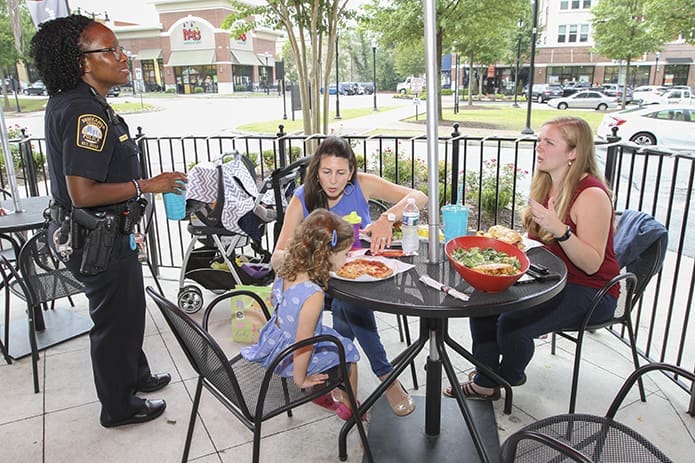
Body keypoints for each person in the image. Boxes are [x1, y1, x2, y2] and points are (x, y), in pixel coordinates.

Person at [30, 15, 187, 427]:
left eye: (120, 48)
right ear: (84, 62)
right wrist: (145, 185)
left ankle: (135, 376)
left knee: (128, 311)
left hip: (101, 233)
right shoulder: (86, 112)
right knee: (114, 322)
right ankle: (118, 406)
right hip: (98, 239)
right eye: (111, 50)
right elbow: (83, 191)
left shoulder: (76, 100)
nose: (123, 57)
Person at [446, 116, 620, 400]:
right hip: (550, 277)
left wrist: (561, 231)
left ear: (573, 153)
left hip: (593, 290)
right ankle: (486, 378)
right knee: (483, 304)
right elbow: (539, 243)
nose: (539, 147)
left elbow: (592, 264)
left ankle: (505, 377)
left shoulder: (591, 195)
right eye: (539, 140)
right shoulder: (547, 183)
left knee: (512, 325)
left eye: (549, 142)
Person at [271, 136, 428, 416]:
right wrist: (311, 258)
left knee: (350, 307)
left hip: (360, 274)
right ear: (316, 170)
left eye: (341, 173)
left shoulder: (363, 184)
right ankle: (385, 377)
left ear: (351, 171)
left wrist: (387, 218)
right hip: (315, 284)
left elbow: (420, 197)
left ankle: (337, 374)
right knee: (350, 306)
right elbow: (277, 255)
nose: (333, 180)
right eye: (326, 172)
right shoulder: (302, 197)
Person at [242, 209, 361, 419]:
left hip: (274, 340)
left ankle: (323, 392)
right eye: (345, 254)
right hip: (290, 355)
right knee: (347, 352)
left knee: (334, 337)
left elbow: (276, 302)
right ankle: (351, 409)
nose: (347, 258)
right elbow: (304, 342)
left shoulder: (286, 267)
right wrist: (301, 379)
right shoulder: (312, 295)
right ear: (325, 255)